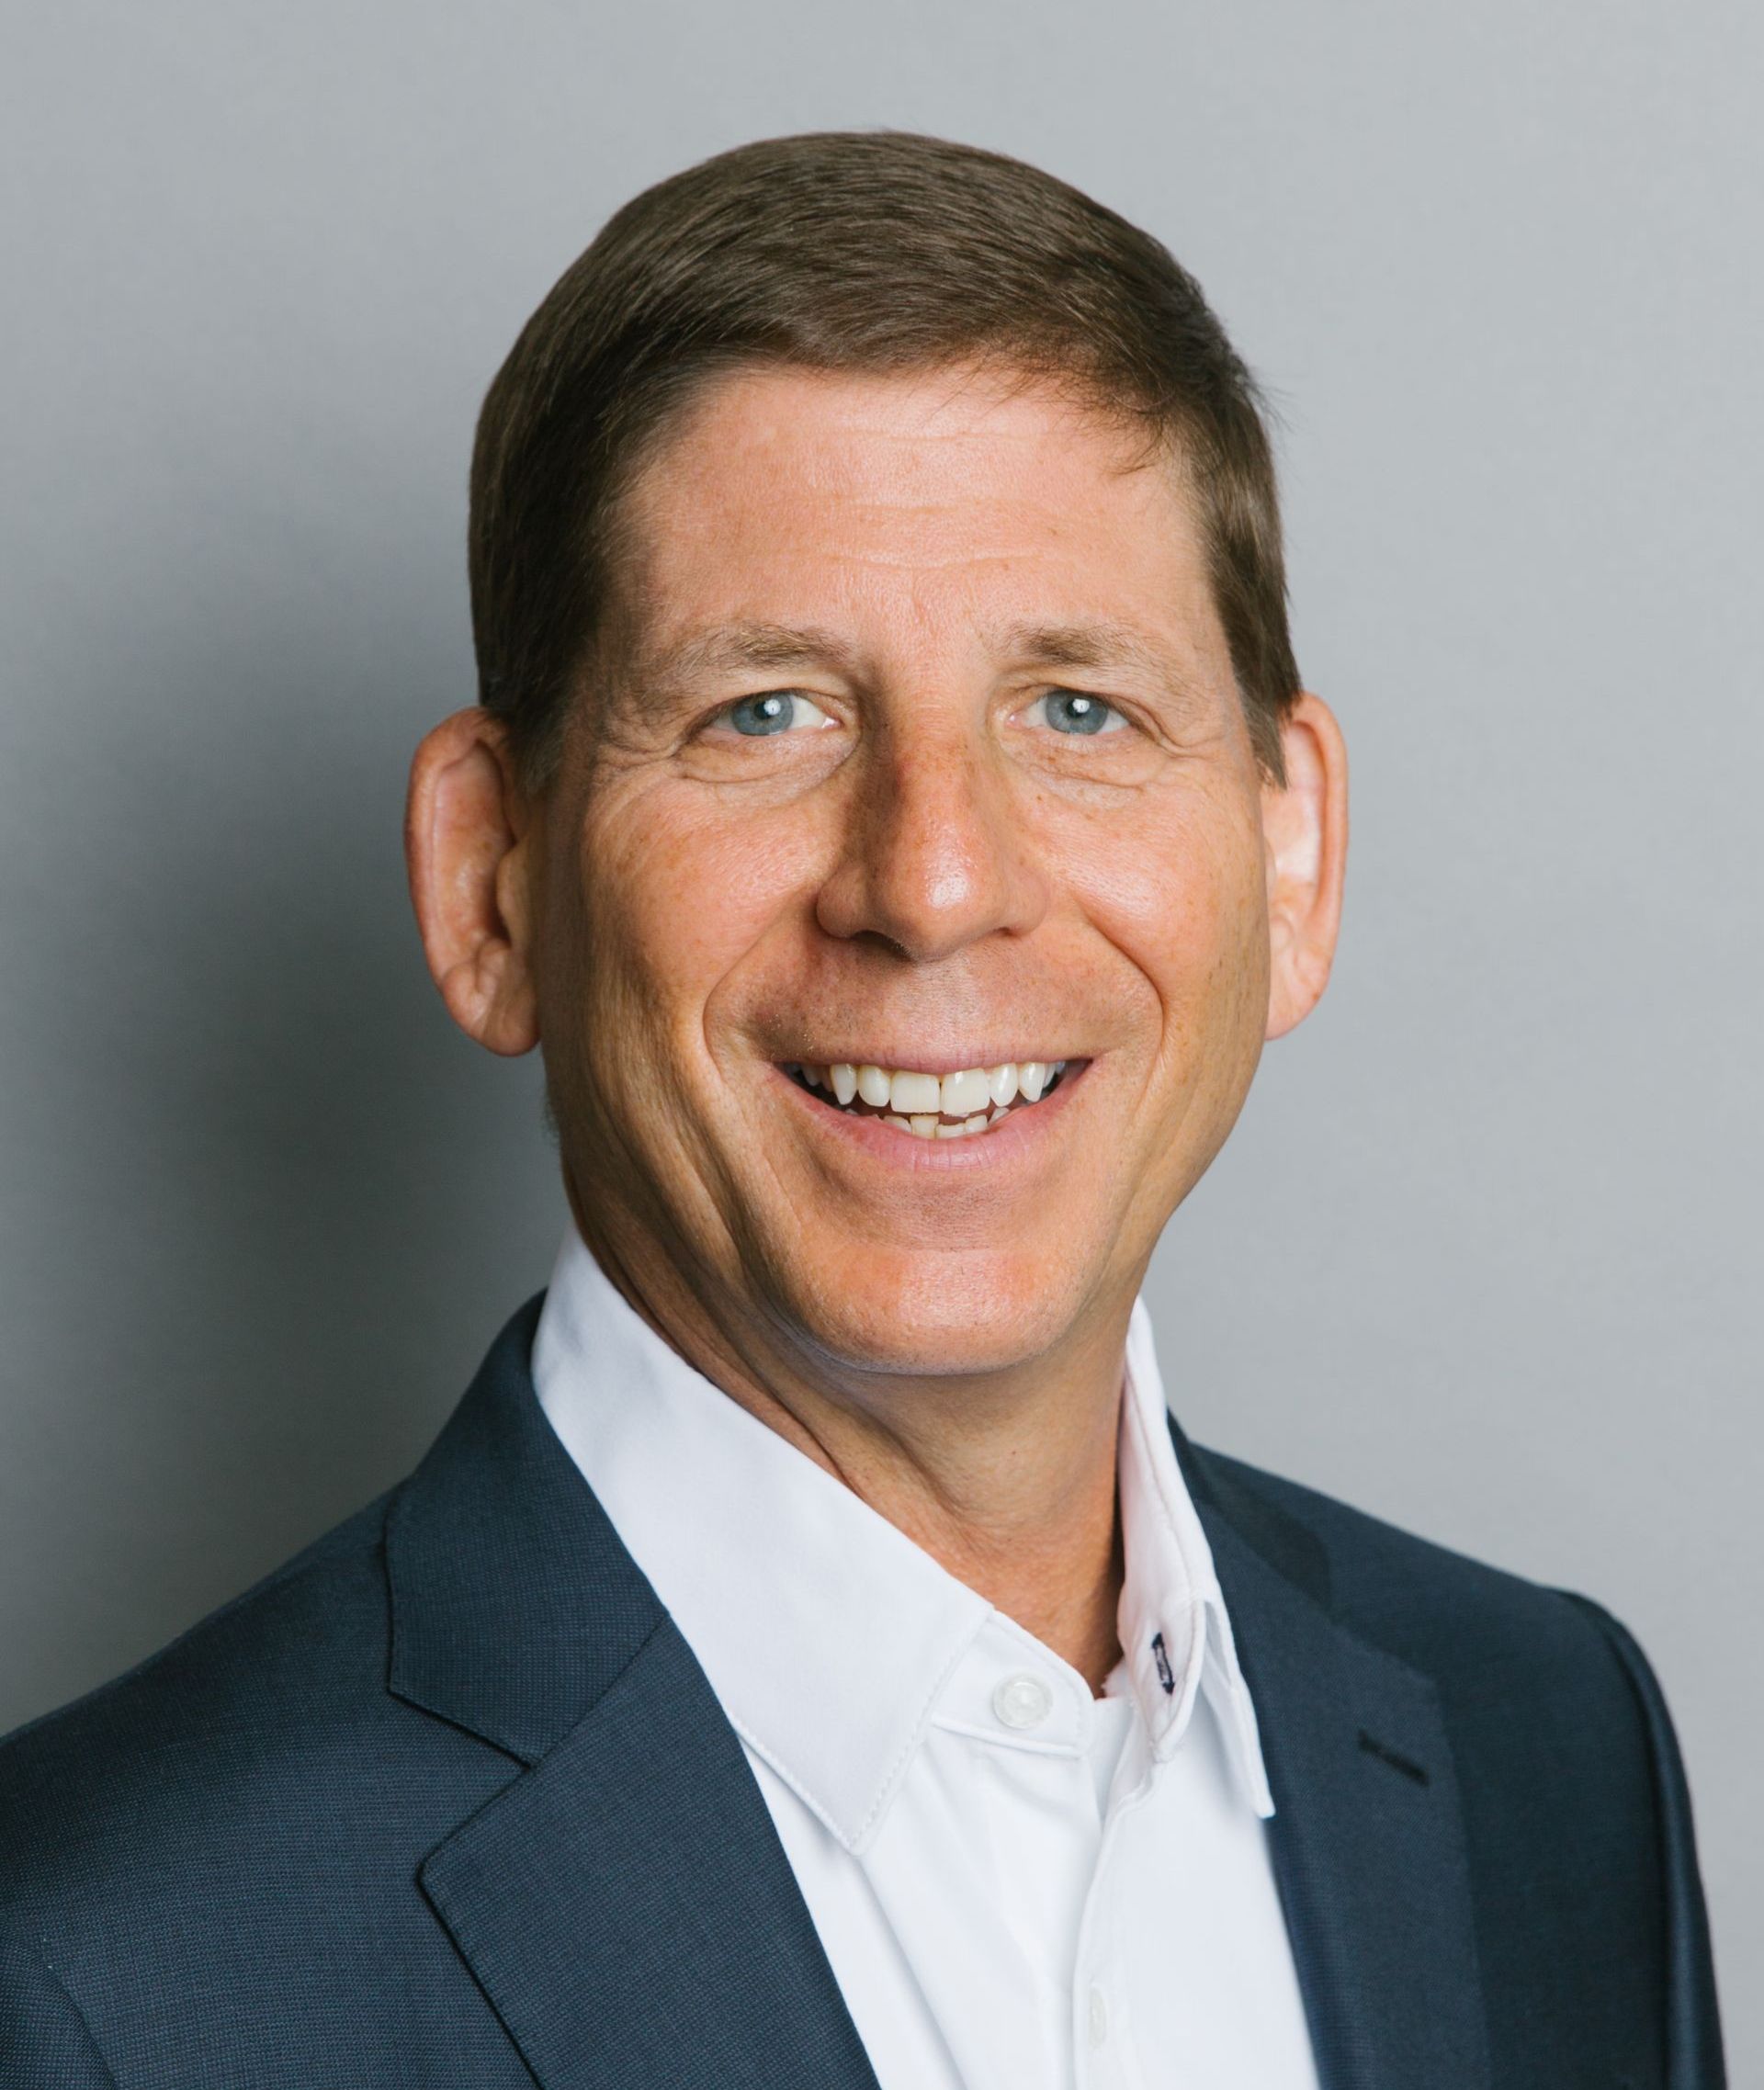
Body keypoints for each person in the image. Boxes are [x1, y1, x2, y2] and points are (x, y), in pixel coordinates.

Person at [0, 131, 1724, 2090]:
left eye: (1079, 709)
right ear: (492, 884)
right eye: (765, 713)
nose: (934, 880)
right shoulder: (94, 1972)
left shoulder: (1544, 1748)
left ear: (1292, 856)